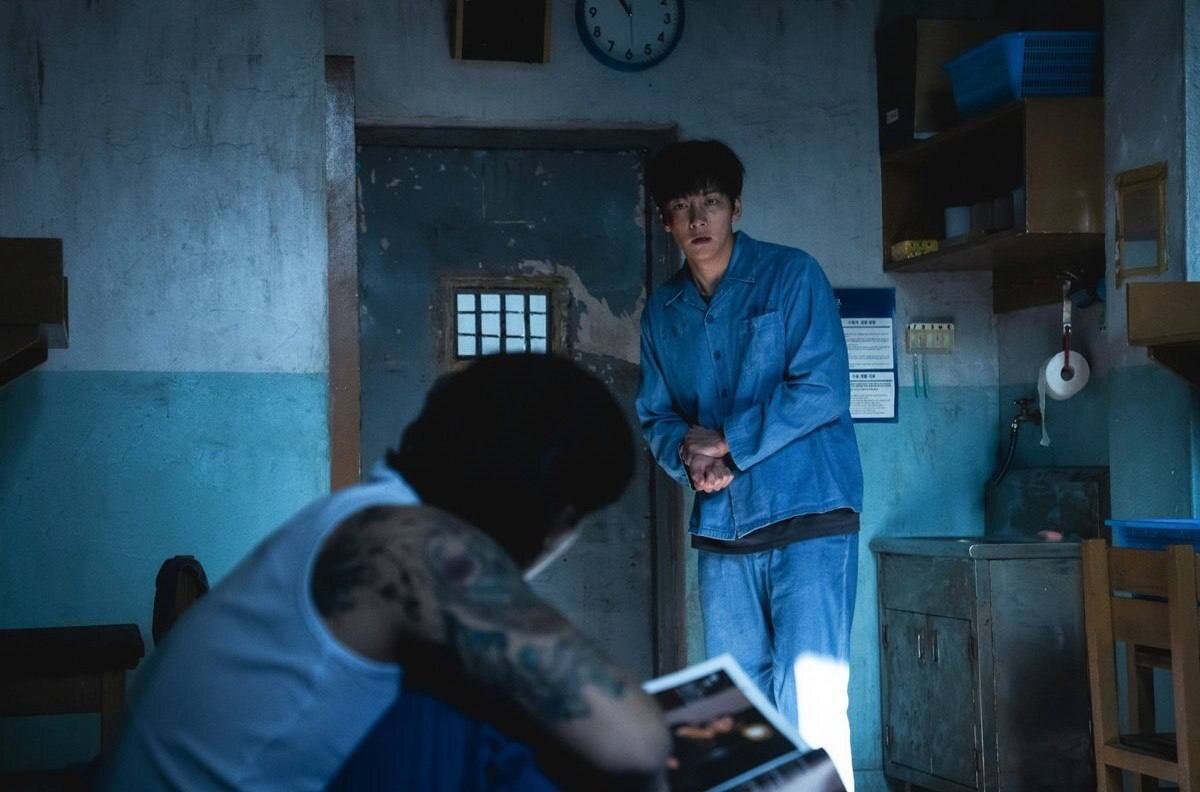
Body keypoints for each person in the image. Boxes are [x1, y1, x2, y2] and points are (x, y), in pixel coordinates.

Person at [101, 354, 670, 791]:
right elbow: (635, 741)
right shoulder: (407, 545)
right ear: (553, 515)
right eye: (574, 522)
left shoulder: (362, 515)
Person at [636, 139, 862, 789]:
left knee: (811, 702)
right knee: (734, 714)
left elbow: (823, 389)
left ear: (736, 208)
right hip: (724, 527)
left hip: (808, 513)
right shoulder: (663, 312)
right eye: (682, 207)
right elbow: (657, 416)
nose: (697, 219)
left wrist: (729, 443)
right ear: (665, 221)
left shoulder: (792, 275)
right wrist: (692, 461)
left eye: (710, 202)